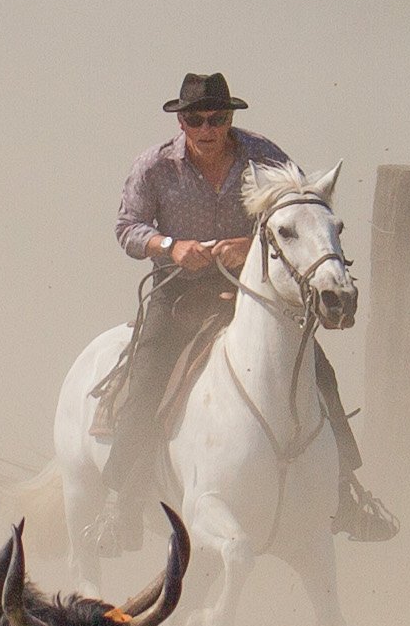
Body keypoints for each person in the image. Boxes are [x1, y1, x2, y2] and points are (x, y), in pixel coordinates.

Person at [103, 71, 391, 549]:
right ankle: (120, 501)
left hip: (254, 291)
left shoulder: (265, 155)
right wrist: (171, 246)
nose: (206, 128)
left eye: (216, 118)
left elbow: (299, 208)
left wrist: (251, 243)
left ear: (230, 118)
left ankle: (346, 493)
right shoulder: (154, 166)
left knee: (320, 373)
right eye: (195, 119)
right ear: (182, 122)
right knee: (150, 370)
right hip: (178, 292)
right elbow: (127, 227)